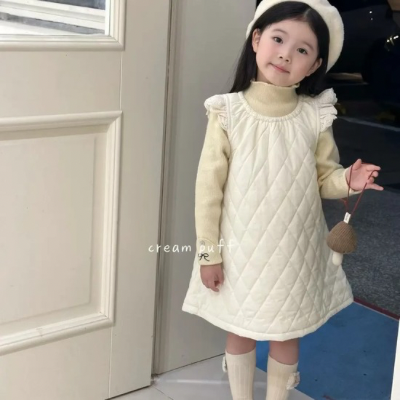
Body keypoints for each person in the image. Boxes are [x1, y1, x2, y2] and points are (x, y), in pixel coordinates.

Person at [182, 1, 384, 399]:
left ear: (314, 65)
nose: (286, 54)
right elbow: (208, 192)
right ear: (257, 39)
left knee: (287, 331)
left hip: (295, 251)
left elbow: (323, 178)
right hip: (240, 251)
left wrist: (349, 180)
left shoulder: (314, 115)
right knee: (240, 328)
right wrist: (209, 255)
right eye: (278, 39)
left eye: (302, 49)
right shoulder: (228, 112)